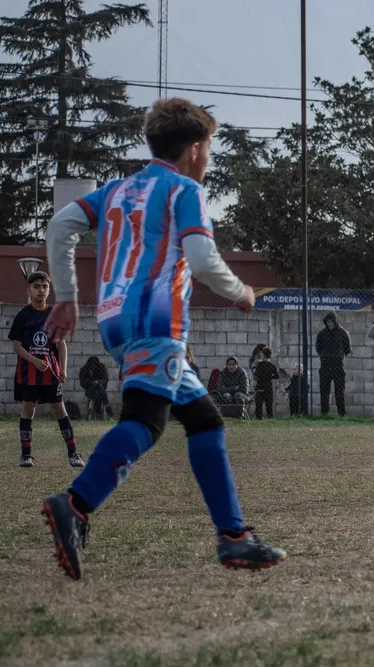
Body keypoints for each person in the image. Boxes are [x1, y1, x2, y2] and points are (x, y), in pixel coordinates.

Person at [40, 97, 285, 580]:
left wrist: (66, 297)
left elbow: (61, 224)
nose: (208, 159)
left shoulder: (117, 190)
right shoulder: (183, 190)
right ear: (194, 148)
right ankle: (76, 502)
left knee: (205, 420)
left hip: (114, 321)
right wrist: (242, 293)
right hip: (156, 321)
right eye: (209, 148)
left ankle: (233, 536)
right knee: (146, 422)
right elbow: (201, 259)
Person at [9, 271, 84, 468]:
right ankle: (26, 455)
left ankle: (73, 454)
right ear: (29, 290)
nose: (41, 290)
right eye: (37, 287)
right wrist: (34, 361)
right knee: (28, 410)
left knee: (60, 409)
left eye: (45, 287)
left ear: (49, 290)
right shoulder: (23, 315)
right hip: (28, 373)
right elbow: (16, 346)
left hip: (51, 374)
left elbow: (61, 344)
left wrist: (64, 369)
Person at [316, 311, 351, 416]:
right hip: (325, 364)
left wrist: (339, 356)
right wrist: (324, 356)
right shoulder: (322, 334)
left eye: (332, 322)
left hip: (338, 365)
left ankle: (342, 413)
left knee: (339, 391)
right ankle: (324, 413)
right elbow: (318, 348)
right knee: (324, 391)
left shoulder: (342, 333)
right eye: (328, 322)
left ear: (336, 322)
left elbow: (347, 348)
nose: (330, 324)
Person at [252, 347, 280, 419]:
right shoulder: (272, 365)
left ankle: (258, 419)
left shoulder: (259, 365)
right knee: (269, 405)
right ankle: (270, 418)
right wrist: (270, 377)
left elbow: (256, 375)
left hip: (260, 387)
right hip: (268, 387)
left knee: (259, 405)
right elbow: (277, 376)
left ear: (263, 355)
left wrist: (254, 369)